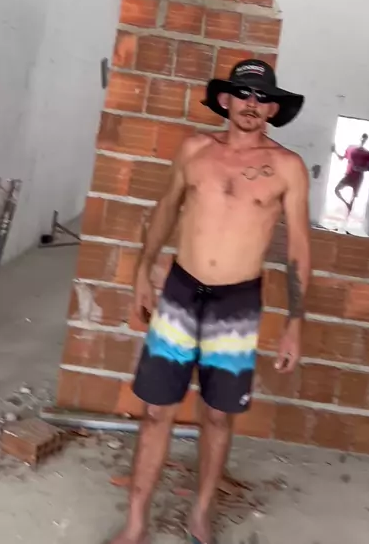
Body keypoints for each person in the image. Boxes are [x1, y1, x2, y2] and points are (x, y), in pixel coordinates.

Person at [110, 59, 310, 544]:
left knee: (218, 415)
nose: (252, 104)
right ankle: (135, 524)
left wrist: (295, 321)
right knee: (156, 410)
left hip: (237, 305)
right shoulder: (195, 151)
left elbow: (300, 247)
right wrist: (143, 269)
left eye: (262, 98)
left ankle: (200, 514)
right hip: (180, 293)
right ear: (225, 99)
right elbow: (166, 207)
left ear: (273, 109)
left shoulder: (287, 168)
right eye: (243, 93)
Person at [331, 132, 369, 215]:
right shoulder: (351, 148)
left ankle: (348, 214)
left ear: (366, 140)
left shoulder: (367, 154)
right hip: (348, 175)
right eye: (362, 138)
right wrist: (335, 151)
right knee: (336, 190)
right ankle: (346, 204)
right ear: (360, 138)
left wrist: (360, 168)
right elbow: (342, 158)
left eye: (365, 139)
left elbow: (368, 168)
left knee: (353, 198)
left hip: (358, 178)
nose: (363, 140)